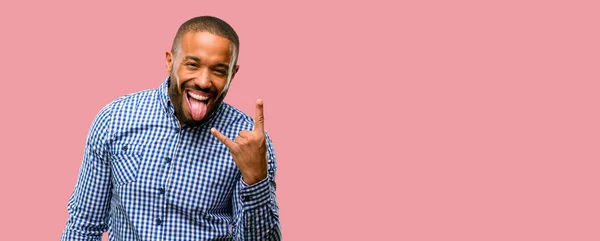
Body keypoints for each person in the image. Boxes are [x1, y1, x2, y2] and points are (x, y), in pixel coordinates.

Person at [61, 16, 281, 241]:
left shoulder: (249, 143)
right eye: (193, 64)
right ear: (170, 61)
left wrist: (256, 179)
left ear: (232, 75)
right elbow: (83, 226)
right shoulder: (114, 120)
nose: (204, 81)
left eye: (218, 70)